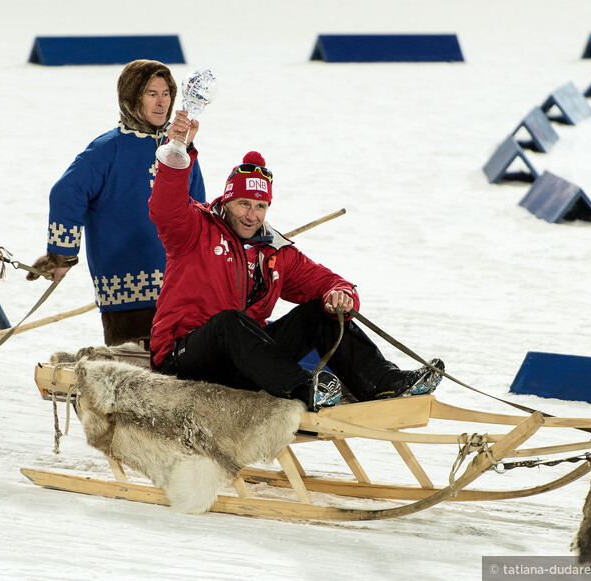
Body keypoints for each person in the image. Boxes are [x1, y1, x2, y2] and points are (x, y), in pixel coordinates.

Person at [147, 112, 444, 411]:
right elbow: (164, 208)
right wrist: (178, 148)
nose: (252, 215)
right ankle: (304, 387)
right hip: (182, 360)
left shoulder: (274, 250)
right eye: (244, 204)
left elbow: (326, 281)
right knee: (229, 322)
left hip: (242, 365)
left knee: (320, 313)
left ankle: (384, 383)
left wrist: (340, 295)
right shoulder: (195, 229)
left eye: (260, 206)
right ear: (226, 201)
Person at [28, 59, 206, 346]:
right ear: (132, 97)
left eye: (166, 94)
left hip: (180, 290)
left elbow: (198, 209)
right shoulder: (107, 150)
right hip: (127, 295)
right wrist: (61, 256)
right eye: (151, 94)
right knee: (131, 378)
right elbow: (66, 193)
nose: (161, 103)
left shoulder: (179, 149)